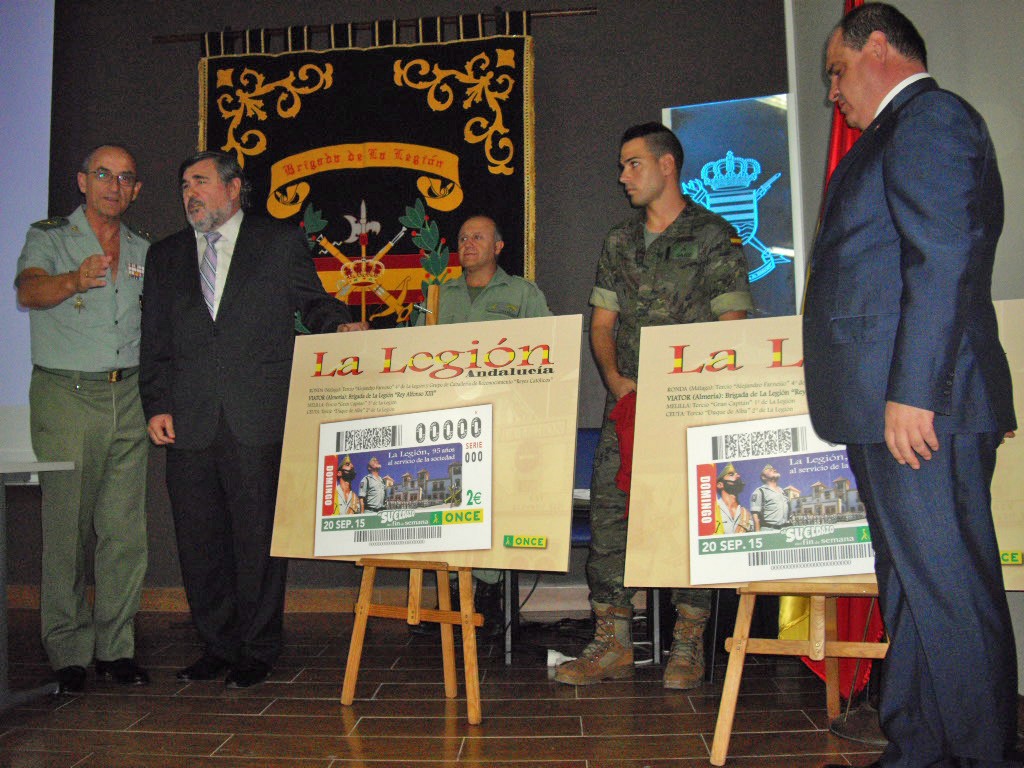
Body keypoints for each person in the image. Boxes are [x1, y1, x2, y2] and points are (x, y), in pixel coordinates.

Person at [803, 6, 1019, 768]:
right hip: (887, 407)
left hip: (921, 406)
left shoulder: (929, 120)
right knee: (912, 591)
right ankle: (919, 749)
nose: (832, 92)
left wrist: (912, 392)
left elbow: (944, 259)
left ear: (881, 48)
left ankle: (983, 754)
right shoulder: (895, 134)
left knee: (948, 592)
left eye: (836, 71)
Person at [140, 150, 364, 688]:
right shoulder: (167, 254)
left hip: (257, 415)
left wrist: (338, 328)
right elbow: (154, 341)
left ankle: (258, 649)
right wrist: (156, 403)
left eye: (200, 181)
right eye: (184, 184)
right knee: (198, 542)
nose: (190, 193)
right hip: (188, 418)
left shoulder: (278, 240)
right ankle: (215, 646)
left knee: (257, 540)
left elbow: (312, 302)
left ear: (235, 187)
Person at [554, 123, 753, 689]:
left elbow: (732, 321)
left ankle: (687, 645)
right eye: (621, 166)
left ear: (668, 165)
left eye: (633, 164)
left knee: (692, 519)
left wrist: (694, 390)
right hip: (630, 405)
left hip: (690, 408)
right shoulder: (618, 242)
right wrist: (617, 381)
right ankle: (611, 641)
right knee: (612, 517)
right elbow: (601, 324)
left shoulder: (715, 236)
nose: (622, 177)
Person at [15, 145, 151, 694]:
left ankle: (116, 649)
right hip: (67, 395)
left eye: (125, 178)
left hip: (130, 395)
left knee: (123, 533)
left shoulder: (143, 248)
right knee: (67, 529)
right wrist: (72, 279)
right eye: (103, 175)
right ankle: (68, 651)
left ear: (136, 190)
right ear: (82, 180)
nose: (113, 186)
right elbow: (27, 291)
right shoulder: (49, 235)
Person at [430, 214, 552, 636]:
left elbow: (547, 356)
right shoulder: (438, 296)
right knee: (444, 508)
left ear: (498, 246)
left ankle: (489, 599)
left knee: (494, 512)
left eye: (478, 237)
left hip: (505, 429)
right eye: (463, 238)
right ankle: (447, 605)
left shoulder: (521, 293)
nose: (468, 243)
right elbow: (414, 359)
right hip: (447, 429)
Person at [714, 464, 757, 535]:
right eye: (731, 474)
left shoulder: (747, 515)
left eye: (737, 474)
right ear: (720, 485)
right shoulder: (712, 511)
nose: (738, 476)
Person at [749, 463, 787, 531]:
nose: (774, 470)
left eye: (774, 469)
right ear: (764, 477)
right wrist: (758, 536)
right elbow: (755, 518)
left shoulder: (783, 492)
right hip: (768, 531)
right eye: (770, 470)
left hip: (783, 531)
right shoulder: (760, 492)